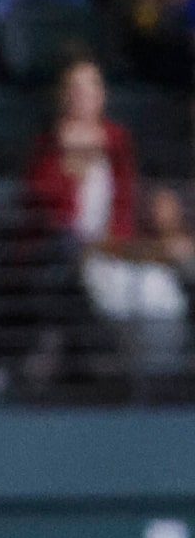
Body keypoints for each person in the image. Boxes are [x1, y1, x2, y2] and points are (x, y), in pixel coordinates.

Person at [15, 57, 192, 384]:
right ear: (63, 95)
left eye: (92, 86)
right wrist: (72, 169)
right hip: (65, 250)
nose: (84, 96)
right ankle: (111, 374)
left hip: (113, 247)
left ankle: (165, 375)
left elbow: (124, 200)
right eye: (76, 88)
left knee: (169, 275)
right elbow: (45, 208)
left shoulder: (117, 140)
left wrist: (126, 243)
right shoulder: (47, 145)